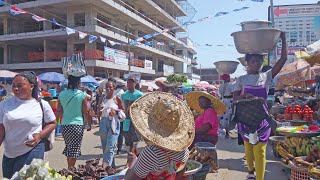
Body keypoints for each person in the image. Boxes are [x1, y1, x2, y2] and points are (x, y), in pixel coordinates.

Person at [232, 31, 287, 180]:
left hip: (262, 118)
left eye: (259, 61)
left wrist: (283, 39)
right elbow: (235, 98)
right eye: (254, 61)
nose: (257, 63)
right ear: (247, 63)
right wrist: (244, 96)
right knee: (248, 146)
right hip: (245, 119)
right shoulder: (241, 79)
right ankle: (250, 171)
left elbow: (283, 59)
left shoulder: (267, 76)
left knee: (260, 150)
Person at [125, 92, 194, 180]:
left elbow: (130, 179)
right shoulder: (184, 151)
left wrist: (132, 163)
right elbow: (179, 175)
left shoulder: (152, 153)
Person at [0, 71, 56, 178]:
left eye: (20, 86)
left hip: (32, 150)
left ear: (31, 86)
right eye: (14, 86)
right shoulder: (4, 105)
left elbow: (52, 123)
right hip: (9, 153)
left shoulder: (41, 105)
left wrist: (39, 135)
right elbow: (1, 129)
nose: (16, 89)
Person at [55, 75, 90, 168]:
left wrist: (54, 122)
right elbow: (85, 112)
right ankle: (70, 170)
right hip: (77, 125)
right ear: (78, 83)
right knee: (74, 150)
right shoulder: (82, 95)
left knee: (68, 147)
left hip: (65, 125)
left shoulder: (61, 94)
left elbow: (58, 110)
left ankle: (69, 168)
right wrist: (89, 124)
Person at [97, 80, 124, 174]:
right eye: (107, 87)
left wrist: (115, 112)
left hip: (113, 124)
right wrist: (99, 112)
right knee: (105, 147)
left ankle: (104, 169)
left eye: (110, 87)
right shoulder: (102, 98)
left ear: (114, 88)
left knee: (110, 146)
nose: (108, 89)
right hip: (103, 123)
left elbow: (122, 110)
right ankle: (112, 168)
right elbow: (98, 111)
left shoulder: (117, 98)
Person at [121, 76, 143, 158]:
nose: (129, 84)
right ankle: (131, 158)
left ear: (135, 83)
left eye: (131, 82)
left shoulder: (139, 94)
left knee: (135, 141)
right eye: (128, 82)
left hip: (135, 122)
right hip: (126, 121)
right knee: (127, 141)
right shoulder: (124, 95)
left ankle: (132, 159)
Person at [218, 74, 234, 138]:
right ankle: (228, 130)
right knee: (229, 115)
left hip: (223, 100)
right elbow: (233, 93)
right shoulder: (231, 85)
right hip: (230, 101)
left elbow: (220, 94)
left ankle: (223, 129)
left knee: (222, 115)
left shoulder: (221, 86)